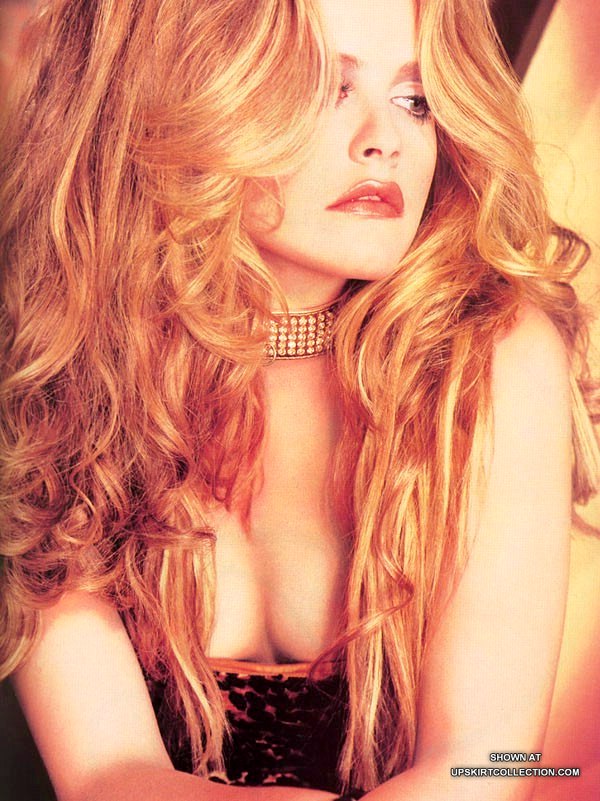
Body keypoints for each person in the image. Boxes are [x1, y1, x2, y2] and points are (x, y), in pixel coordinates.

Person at [0, 0, 598, 800]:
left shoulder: (489, 355)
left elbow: (485, 765)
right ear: (173, 95)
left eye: (416, 98)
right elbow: (105, 770)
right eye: (322, 88)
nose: (384, 139)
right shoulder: (67, 367)